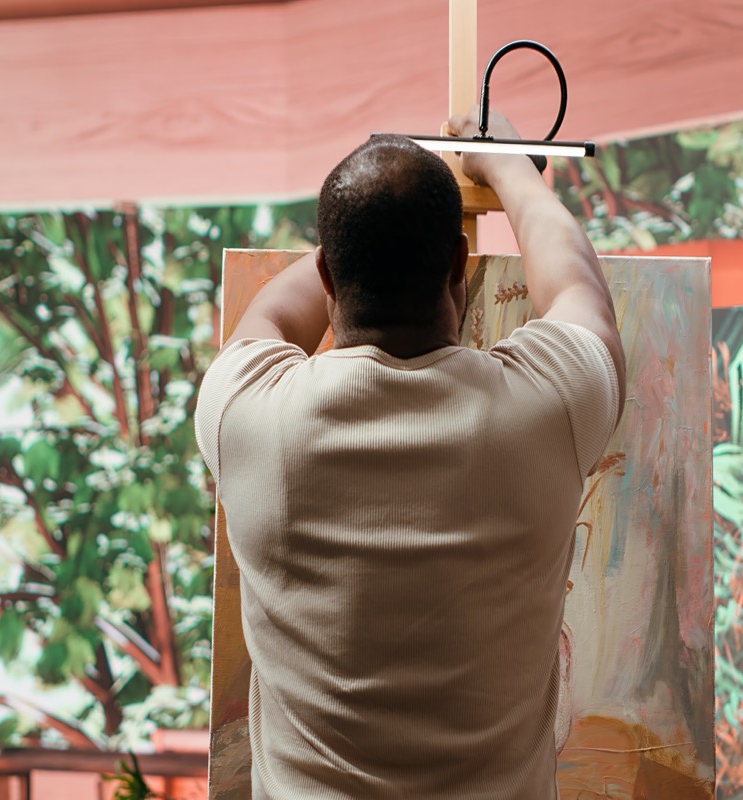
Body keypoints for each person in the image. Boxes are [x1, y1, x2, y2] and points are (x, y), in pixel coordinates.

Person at [194, 108, 624, 799]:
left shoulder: (248, 416)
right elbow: (577, 287)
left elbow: (270, 316)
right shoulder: (544, 410)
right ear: (458, 263)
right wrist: (506, 165)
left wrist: (364, 234)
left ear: (330, 275)